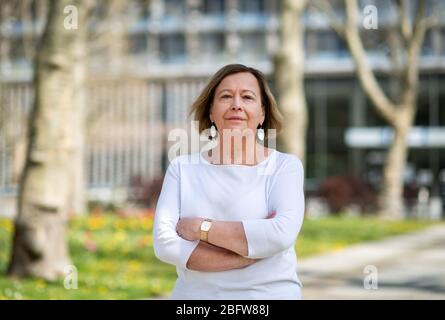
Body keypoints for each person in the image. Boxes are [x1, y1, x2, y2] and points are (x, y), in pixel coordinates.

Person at [153, 64, 305, 299]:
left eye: (247, 97)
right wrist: (242, 256)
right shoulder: (182, 168)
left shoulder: (285, 167)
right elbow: (165, 244)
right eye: (226, 96)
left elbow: (280, 234)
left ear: (262, 113)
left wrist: (200, 228)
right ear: (211, 112)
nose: (237, 104)